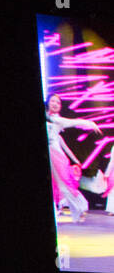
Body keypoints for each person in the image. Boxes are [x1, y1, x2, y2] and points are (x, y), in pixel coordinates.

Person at [46, 93, 108, 223]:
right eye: (53, 101)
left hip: (55, 156)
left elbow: (73, 123)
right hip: (51, 154)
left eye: (58, 102)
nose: (56, 104)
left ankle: (79, 207)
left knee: (63, 185)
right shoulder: (49, 119)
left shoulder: (58, 121)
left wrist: (90, 123)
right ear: (47, 102)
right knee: (55, 186)